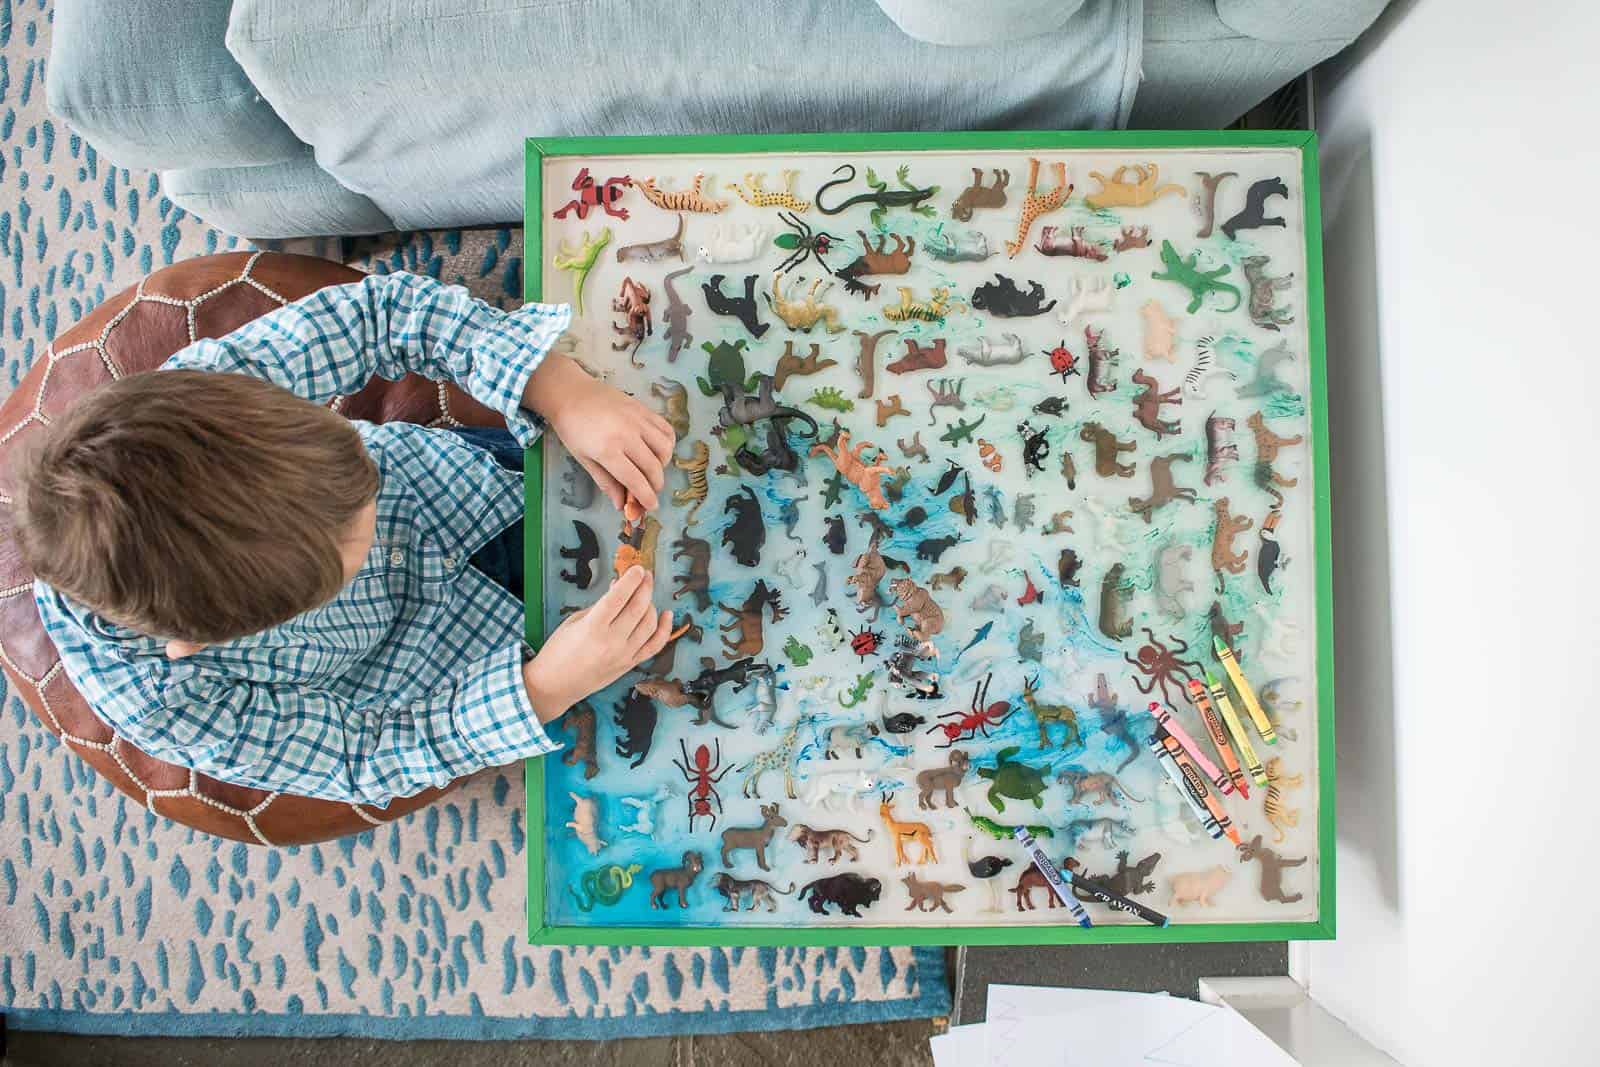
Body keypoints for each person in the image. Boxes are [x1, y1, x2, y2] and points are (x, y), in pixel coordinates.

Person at [11, 272, 677, 806]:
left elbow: (381, 315)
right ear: (204, 642)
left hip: (467, 481)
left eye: (360, 485)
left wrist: (559, 390)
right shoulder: (167, 705)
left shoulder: (208, 391)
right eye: (346, 558)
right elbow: (364, 758)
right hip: (472, 659)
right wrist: (544, 689)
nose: (374, 522)